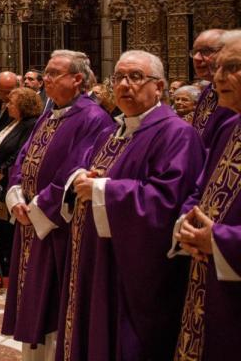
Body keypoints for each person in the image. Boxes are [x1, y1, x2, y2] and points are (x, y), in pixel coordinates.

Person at [57, 51, 204, 360]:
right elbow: (86, 171)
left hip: (131, 272)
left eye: (135, 77)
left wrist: (102, 189)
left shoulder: (177, 134)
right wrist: (84, 178)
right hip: (95, 259)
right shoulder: (113, 131)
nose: (124, 85)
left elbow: (168, 201)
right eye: (119, 77)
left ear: (159, 87)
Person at [1, 51, 115, 361]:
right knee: (33, 297)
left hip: (58, 229)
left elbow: (76, 170)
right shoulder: (50, 113)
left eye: (54, 73)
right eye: (46, 73)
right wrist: (15, 197)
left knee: (53, 303)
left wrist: (37, 208)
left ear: (77, 79)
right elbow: (24, 157)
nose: (46, 79)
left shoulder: (94, 118)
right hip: (30, 222)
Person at [173, 30, 241, 360]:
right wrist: (187, 222)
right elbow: (203, 184)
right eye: (218, 68)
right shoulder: (231, 126)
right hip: (207, 270)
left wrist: (219, 240)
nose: (217, 77)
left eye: (232, 67)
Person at [0, 87, 41, 268]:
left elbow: (19, 152)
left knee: (8, 224)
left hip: (11, 180)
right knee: (0, 222)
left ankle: (7, 260)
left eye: (12, 103)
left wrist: (2, 170)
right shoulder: (13, 121)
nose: (7, 106)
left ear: (23, 106)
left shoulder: (30, 124)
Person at [191, 29, 232, 147]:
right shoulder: (208, 90)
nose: (196, 58)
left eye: (206, 51)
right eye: (195, 52)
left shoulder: (235, 93)